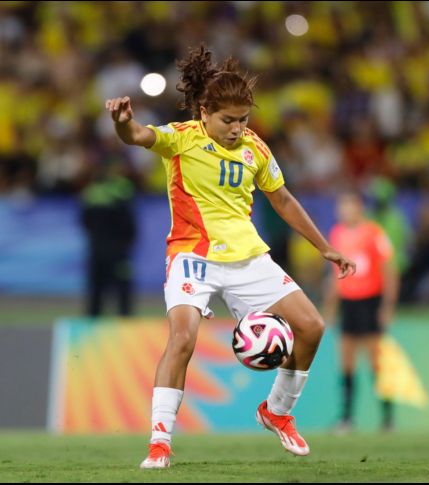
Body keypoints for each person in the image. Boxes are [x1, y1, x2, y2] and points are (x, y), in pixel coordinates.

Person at [106, 44, 355, 469]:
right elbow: (139, 136)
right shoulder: (181, 139)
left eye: (244, 119)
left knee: (312, 327)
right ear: (204, 111)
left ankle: (276, 411)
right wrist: (122, 124)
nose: (238, 128)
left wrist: (324, 247)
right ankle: (160, 442)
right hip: (192, 257)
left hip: (247, 258)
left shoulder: (255, 148)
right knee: (182, 339)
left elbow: (283, 200)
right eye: (228, 120)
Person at [323, 189, 399, 433]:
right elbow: (335, 276)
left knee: (376, 361)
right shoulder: (336, 234)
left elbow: (389, 270)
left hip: (370, 301)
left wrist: (387, 306)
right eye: (341, 206)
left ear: (359, 207)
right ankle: (346, 418)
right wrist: (331, 307)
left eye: (349, 205)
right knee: (346, 362)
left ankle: (387, 418)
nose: (345, 210)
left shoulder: (374, 233)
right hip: (348, 302)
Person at [80, 157, 137, 317]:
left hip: (98, 247)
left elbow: (84, 221)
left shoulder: (91, 192)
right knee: (122, 287)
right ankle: (125, 320)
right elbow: (129, 222)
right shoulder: (124, 189)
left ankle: (93, 321)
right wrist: (129, 241)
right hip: (119, 249)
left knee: (97, 288)